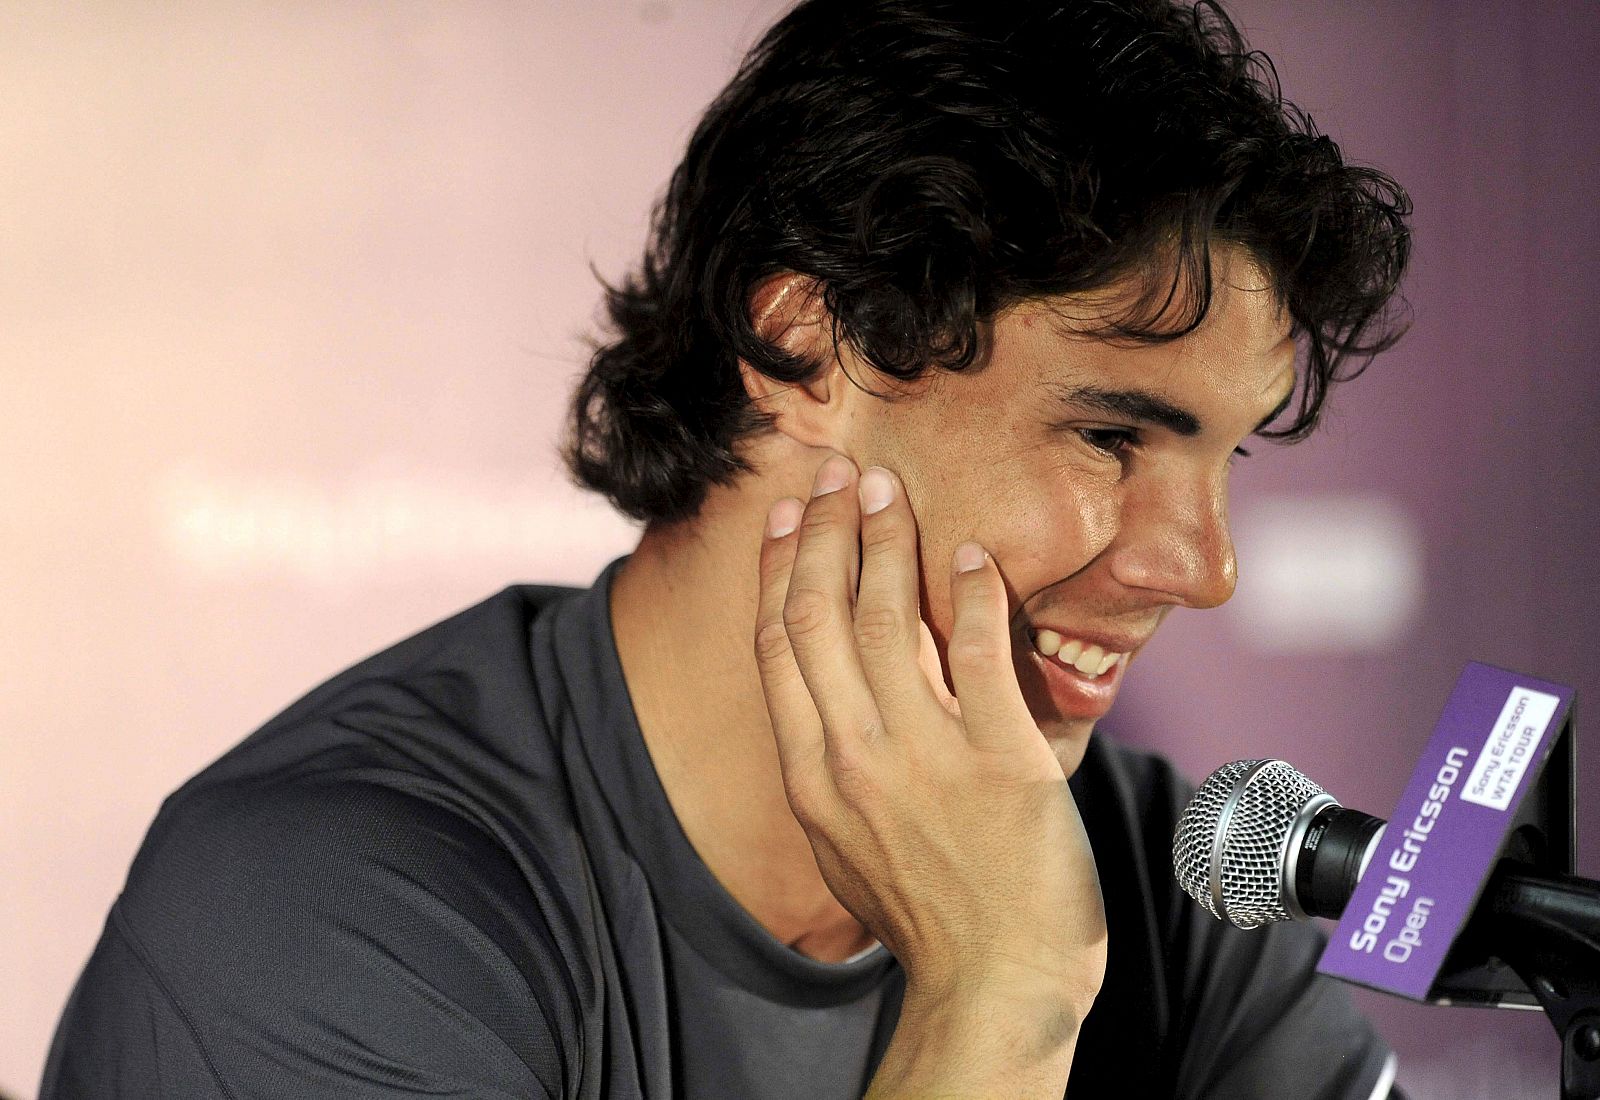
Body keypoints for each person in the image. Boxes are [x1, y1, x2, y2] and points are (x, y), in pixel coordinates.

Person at [42, 0, 1413, 1096]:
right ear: (808, 347)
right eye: (1112, 436)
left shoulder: (1170, 894)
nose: (1205, 566)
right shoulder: (322, 912)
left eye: (1228, 458)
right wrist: (995, 1003)